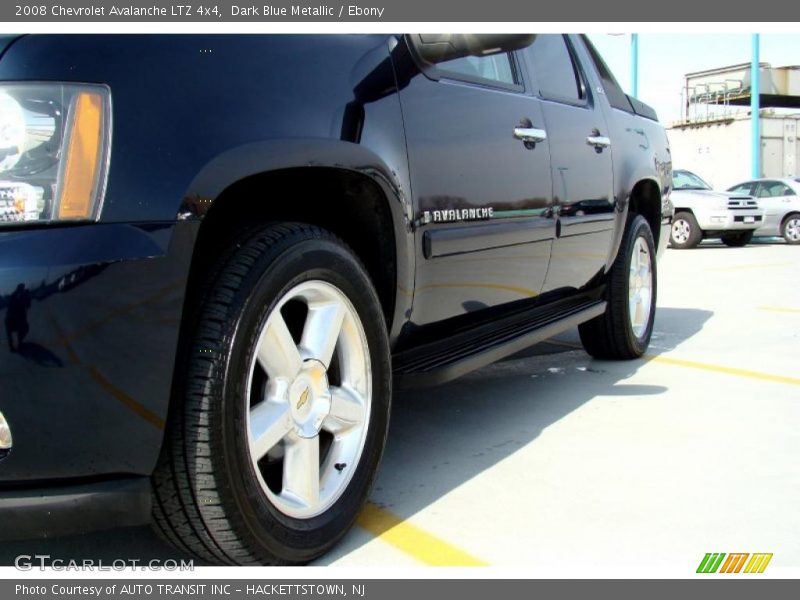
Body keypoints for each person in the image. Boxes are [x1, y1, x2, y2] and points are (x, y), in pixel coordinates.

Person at [5, 283, 31, 352]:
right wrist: (26, 298)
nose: (23, 290)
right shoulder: (18, 296)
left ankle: (14, 345)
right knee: (23, 329)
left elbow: (28, 305)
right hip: (13, 319)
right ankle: (17, 345)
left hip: (10, 319)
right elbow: (26, 306)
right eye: (22, 289)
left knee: (12, 332)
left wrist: (27, 298)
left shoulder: (15, 295)